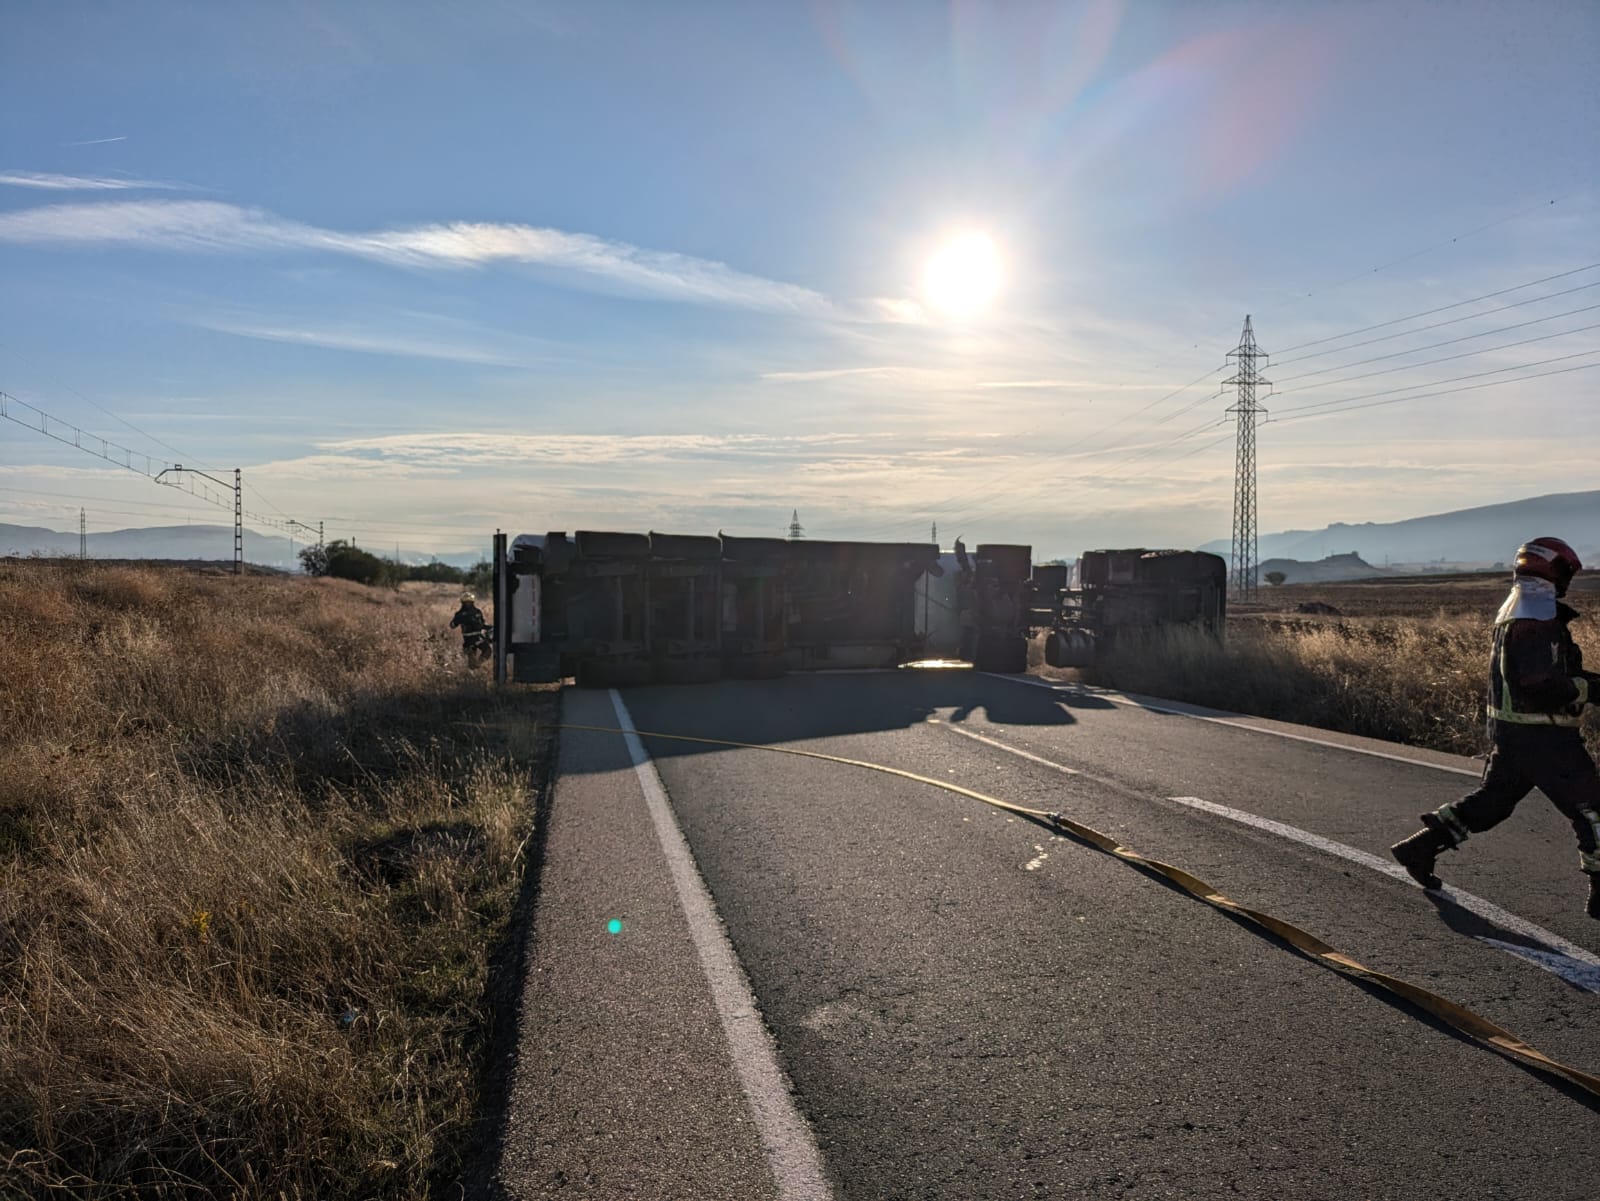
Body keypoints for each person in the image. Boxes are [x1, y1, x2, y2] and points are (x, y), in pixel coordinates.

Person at [1391, 537, 1600, 918]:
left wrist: (1589, 685)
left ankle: (1420, 848)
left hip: (1515, 734)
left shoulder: (1517, 611)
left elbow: (1552, 674)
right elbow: (1538, 682)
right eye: (1567, 572)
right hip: (1545, 738)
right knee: (1593, 811)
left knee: (1494, 803)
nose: (1569, 581)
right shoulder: (1536, 617)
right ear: (1553, 571)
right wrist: (1587, 689)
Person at [450, 591, 490, 664]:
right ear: (463, 603)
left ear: (472, 602)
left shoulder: (477, 612)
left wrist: (489, 628)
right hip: (468, 639)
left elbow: (482, 624)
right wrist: (457, 621)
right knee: (471, 661)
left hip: (478, 637)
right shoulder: (460, 614)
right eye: (466, 603)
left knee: (487, 650)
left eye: (469, 602)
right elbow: (452, 625)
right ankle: (472, 671)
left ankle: (479, 664)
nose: (468, 604)